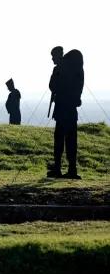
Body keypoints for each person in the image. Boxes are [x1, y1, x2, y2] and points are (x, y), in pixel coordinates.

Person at [48, 49, 84, 179]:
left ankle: (58, 168)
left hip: (62, 107)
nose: (52, 59)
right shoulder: (76, 68)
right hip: (71, 108)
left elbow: (52, 86)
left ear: (58, 55)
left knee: (59, 139)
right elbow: (80, 85)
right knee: (71, 140)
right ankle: (72, 170)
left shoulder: (59, 69)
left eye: (53, 56)